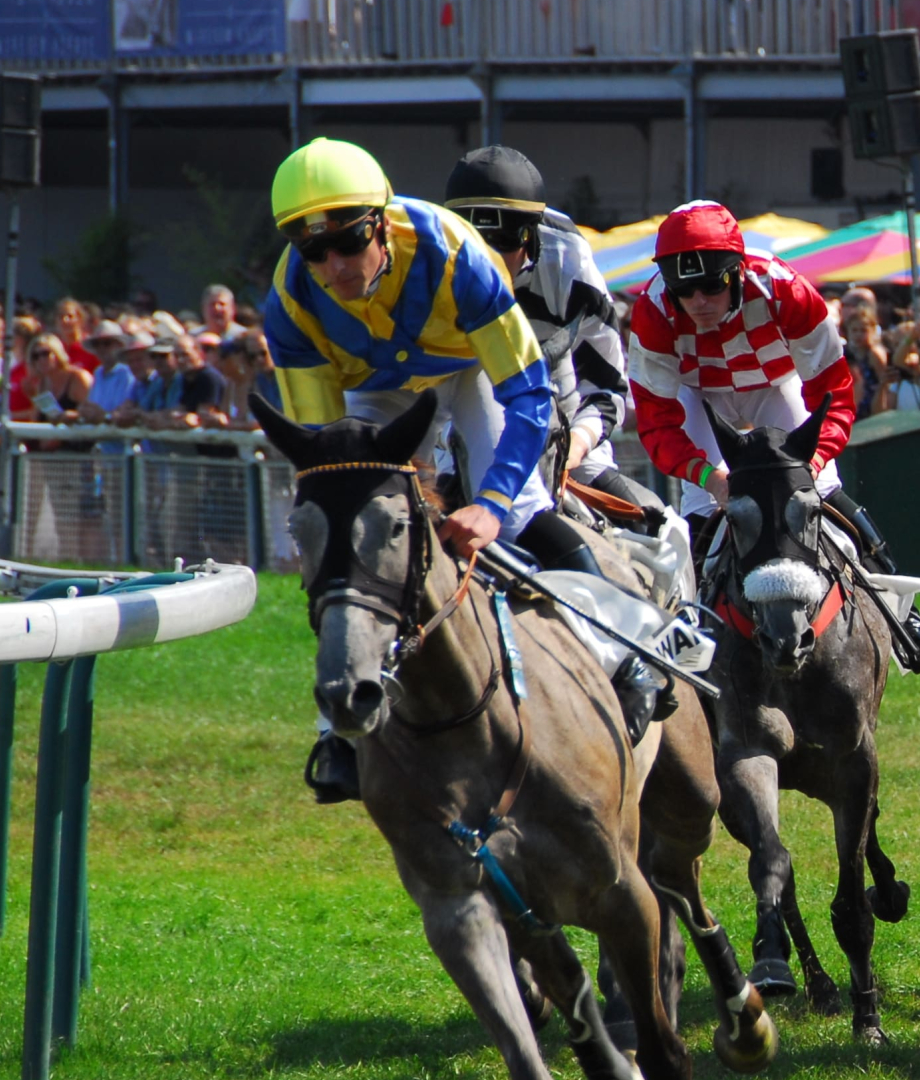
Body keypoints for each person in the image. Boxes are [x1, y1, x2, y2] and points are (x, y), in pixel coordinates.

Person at [261, 137, 655, 802]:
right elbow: (328, 450)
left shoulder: (457, 256)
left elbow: (529, 397)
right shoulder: (290, 301)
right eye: (312, 250)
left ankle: (624, 657)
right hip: (377, 389)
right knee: (349, 532)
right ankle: (338, 727)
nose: (335, 266)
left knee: (527, 505)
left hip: (469, 365)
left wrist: (493, 504)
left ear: (381, 222)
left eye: (349, 242)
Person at [625, 199, 920, 670]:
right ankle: (686, 625)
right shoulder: (652, 311)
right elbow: (657, 423)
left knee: (823, 488)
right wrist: (709, 477)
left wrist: (811, 465)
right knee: (701, 507)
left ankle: (899, 610)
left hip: (776, 384)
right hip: (698, 396)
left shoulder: (785, 289)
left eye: (712, 286)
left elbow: (833, 394)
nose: (698, 302)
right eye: (684, 291)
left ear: (736, 272)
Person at [443, 145, 661, 515]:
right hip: (459, 409)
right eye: (473, 240)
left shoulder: (569, 261)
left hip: (561, 407)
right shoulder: (434, 261)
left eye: (504, 240)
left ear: (531, 235)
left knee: (654, 524)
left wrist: (573, 447)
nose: (488, 259)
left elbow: (607, 388)